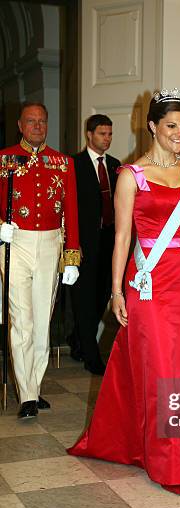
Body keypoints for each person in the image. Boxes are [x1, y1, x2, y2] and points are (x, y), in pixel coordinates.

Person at [68, 88, 180, 494]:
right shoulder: (131, 175)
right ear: (152, 126)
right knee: (160, 368)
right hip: (147, 282)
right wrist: (116, 291)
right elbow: (121, 237)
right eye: (171, 126)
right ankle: (166, 461)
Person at [0, 102, 80, 419]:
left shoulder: (62, 162)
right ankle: (28, 395)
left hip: (50, 244)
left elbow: (70, 210)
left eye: (42, 121)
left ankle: (32, 385)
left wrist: (71, 255)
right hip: (16, 241)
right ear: (20, 125)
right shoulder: (4, 159)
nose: (37, 126)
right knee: (22, 319)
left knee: (42, 322)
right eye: (31, 121)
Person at [68, 114, 120, 375]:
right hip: (83, 243)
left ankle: (77, 340)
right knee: (85, 299)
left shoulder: (115, 165)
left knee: (102, 296)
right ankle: (91, 355)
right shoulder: (73, 165)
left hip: (109, 241)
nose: (107, 139)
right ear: (89, 135)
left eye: (110, 134)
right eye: (102, 134)